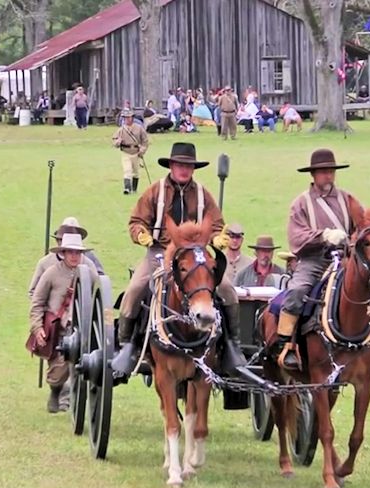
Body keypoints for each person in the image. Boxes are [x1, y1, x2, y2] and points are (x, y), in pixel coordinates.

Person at [111, 142, 247, 375]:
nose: (184, 169)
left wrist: (217, 238)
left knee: (226, 289)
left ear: (193, 168)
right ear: (171, 166)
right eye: (180, 165)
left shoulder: (203, 194)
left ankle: (232, 344)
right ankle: (127, 345)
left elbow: (216, 224)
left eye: (188, 166)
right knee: (135, 289)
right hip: (159, 251)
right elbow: (136, 221)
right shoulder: (155, 191)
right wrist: (141, 235)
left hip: (196, 255)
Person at [275, 148, 370, 372]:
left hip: (347, 259)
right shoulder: (301, 203)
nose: (328, 175)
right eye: (323, 172)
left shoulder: (348, 200)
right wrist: (324, 236)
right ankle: (287, 345)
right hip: (314, 260)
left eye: (331, 171)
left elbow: (363, 228)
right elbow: (296, 237)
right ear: (313, 175)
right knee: (297, 291)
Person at [29, 232, 97, 413]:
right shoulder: (51, 273)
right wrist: (37, 328)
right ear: (63, 253)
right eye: (70, 252)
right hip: (58, 328)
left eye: (78, 252)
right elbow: (37, 302)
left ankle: (74, 399)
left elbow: (99, 297)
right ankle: (55, 391)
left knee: (83, 366)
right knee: (57, 371)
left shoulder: (89, 273)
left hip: (82, 327)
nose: (74, 256)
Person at [28, 217, 104, 298]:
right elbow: (33, 292)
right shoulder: (45, 263)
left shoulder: (88, 262)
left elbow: (98, 287)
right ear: (57, 241)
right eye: (61, 240)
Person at [113, 109, 149, 195]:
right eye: (125, 118)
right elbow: (114, 141)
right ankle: (127, 188)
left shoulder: (139, 128)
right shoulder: (121, 130)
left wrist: (142, 150)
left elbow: (145, 141)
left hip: (136, 152)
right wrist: (118, 142)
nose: (127, 119)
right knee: (127, 170)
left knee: (136, 172)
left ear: (132, 118)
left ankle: (134, 189)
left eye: (128, 117)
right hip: (126, 152)